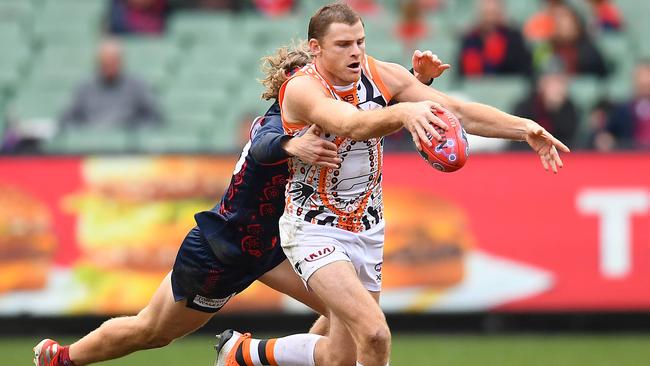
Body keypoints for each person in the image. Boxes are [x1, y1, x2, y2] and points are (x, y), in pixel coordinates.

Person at [32, 43, 449, 366]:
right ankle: (63, 358)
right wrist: (292, 144)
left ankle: (248, 354)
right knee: (153, 331)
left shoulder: (331, 115)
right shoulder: (276, 122)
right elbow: (266, 145)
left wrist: (416, 82)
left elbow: (368, 119)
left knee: (353, 320)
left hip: (277, 249)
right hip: (226, 248)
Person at [215, 3, 568, 366]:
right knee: (374, 333)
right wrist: (405, 110)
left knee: (340, 354)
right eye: (343, 44)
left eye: (360, 41)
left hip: (368, 230)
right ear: (316, 48)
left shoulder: (382, 75)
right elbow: (350, 124)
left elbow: (455, 112)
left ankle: (245, 354)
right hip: (314, 231)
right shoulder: (302, 88)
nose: (355, 52)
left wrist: (524, 128)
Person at [60, 39, 164, 130]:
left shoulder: (137, 85)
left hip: (128, 147)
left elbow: (156, 117)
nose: (109, 67)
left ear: (121, 61)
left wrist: (134, 129)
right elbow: (67, 118)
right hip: (90, 144)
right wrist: (84, 131)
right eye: (105, 63)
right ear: (98, 63)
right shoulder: (84, 87)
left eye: (113, 62)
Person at [457, 0, 532, 78]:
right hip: (474, 87)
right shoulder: (469, 39)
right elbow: (461, 73)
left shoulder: (513, 38)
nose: (489, 10)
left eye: (493, 12)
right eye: (486, 12)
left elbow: (522, 71)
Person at [511, 70, 580, 149]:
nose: (556, 89)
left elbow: (568, 137)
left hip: (556, 151)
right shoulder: (526, 106)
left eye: (560, 84)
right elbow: (519, 134)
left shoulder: (569, 108)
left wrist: (555, 110)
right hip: (527, 151)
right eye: (553, 85)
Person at [592, 60, 650, 150]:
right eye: (641, 81)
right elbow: (606, 134)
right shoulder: (622, 110)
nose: (644, 83)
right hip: (630, 157)